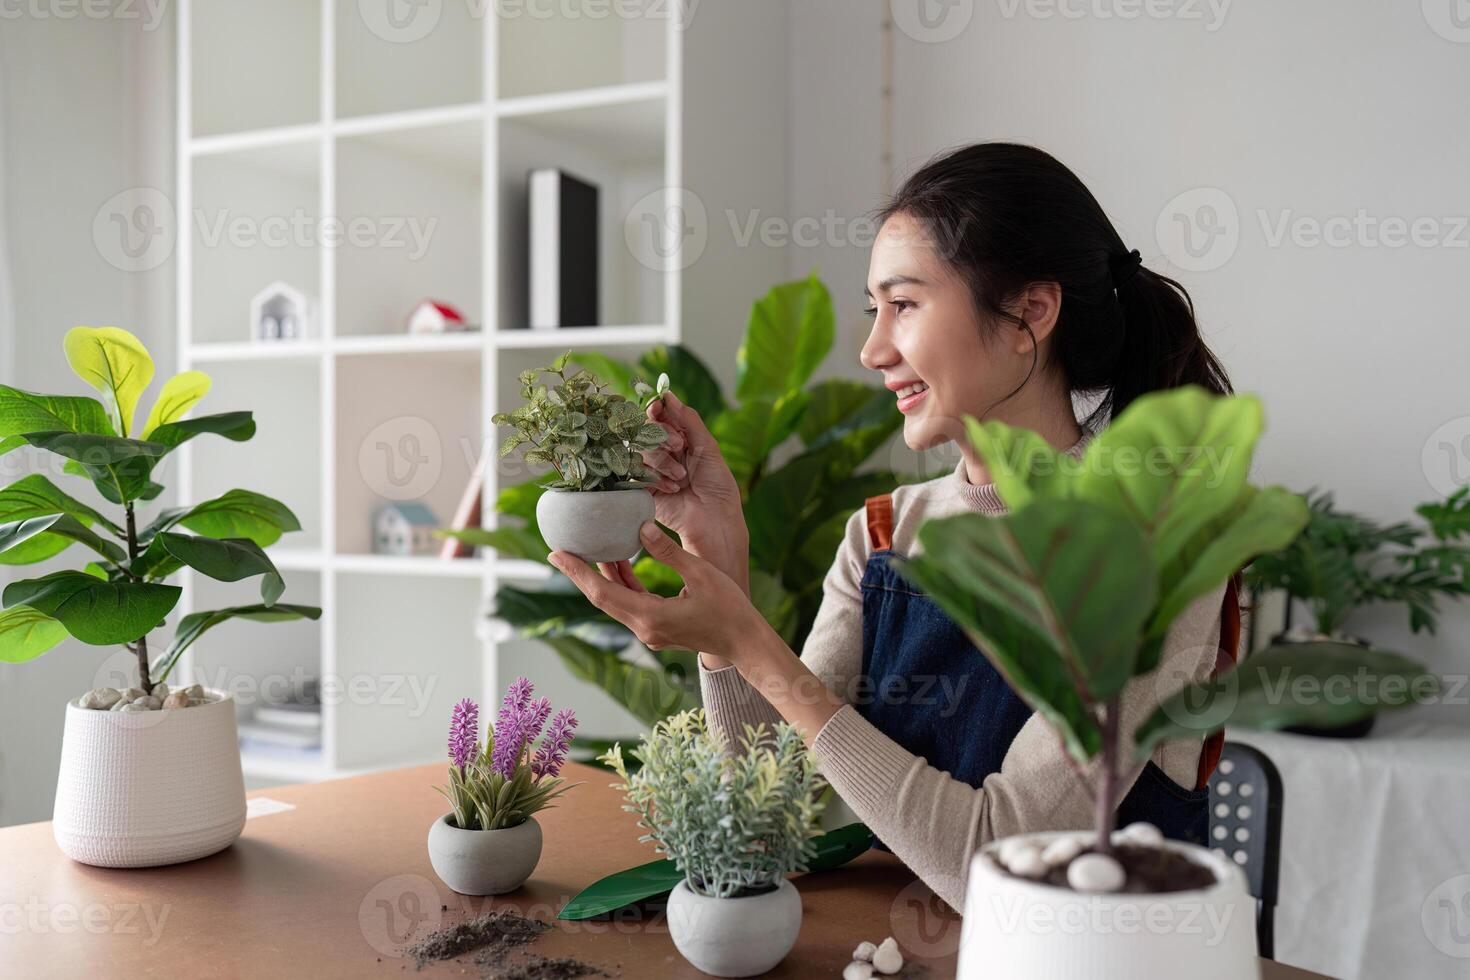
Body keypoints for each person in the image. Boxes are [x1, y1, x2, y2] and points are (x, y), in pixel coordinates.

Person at [546, 143, 1236, 911]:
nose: (873, 351)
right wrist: (721, 565)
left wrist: (750, 642)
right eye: (876, 310)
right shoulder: (883, 533)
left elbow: (998, 864)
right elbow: (767, 824)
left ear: (1030, 313)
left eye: (903, 305)